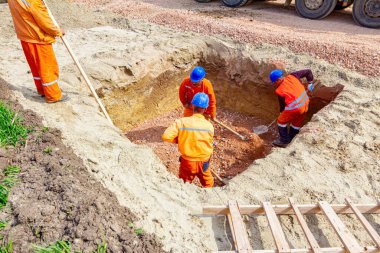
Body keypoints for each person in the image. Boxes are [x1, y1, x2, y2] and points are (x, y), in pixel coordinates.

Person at [8, 0, 68, 103]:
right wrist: (57, 31)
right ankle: (53, 95)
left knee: (36, 68)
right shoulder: (33, 1)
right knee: (47, 68)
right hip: (38, 38)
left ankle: (42, 90)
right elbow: (44, 21)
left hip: (25, 36)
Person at [162, 92, 214, 188]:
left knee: (184, 183)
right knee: (208, 183)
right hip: (204, 161)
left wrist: (179, 140)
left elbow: (166, 136)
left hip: (188, 162)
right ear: (205, 108)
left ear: (192, 106)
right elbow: (209, 141)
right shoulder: (209, 126)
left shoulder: (181, 122)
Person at [269, 69, 314, 147]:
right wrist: (310, 82)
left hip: (296, 108)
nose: (275, 84)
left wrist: (281, 113)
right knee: (296, 123)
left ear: (279, 79)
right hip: (306, 104)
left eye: (275, 82)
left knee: (281, 121)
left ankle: (284, 141)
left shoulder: (280, 90)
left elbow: (282, 105)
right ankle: (292, 139)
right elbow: (308, 71)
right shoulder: (293, 76)